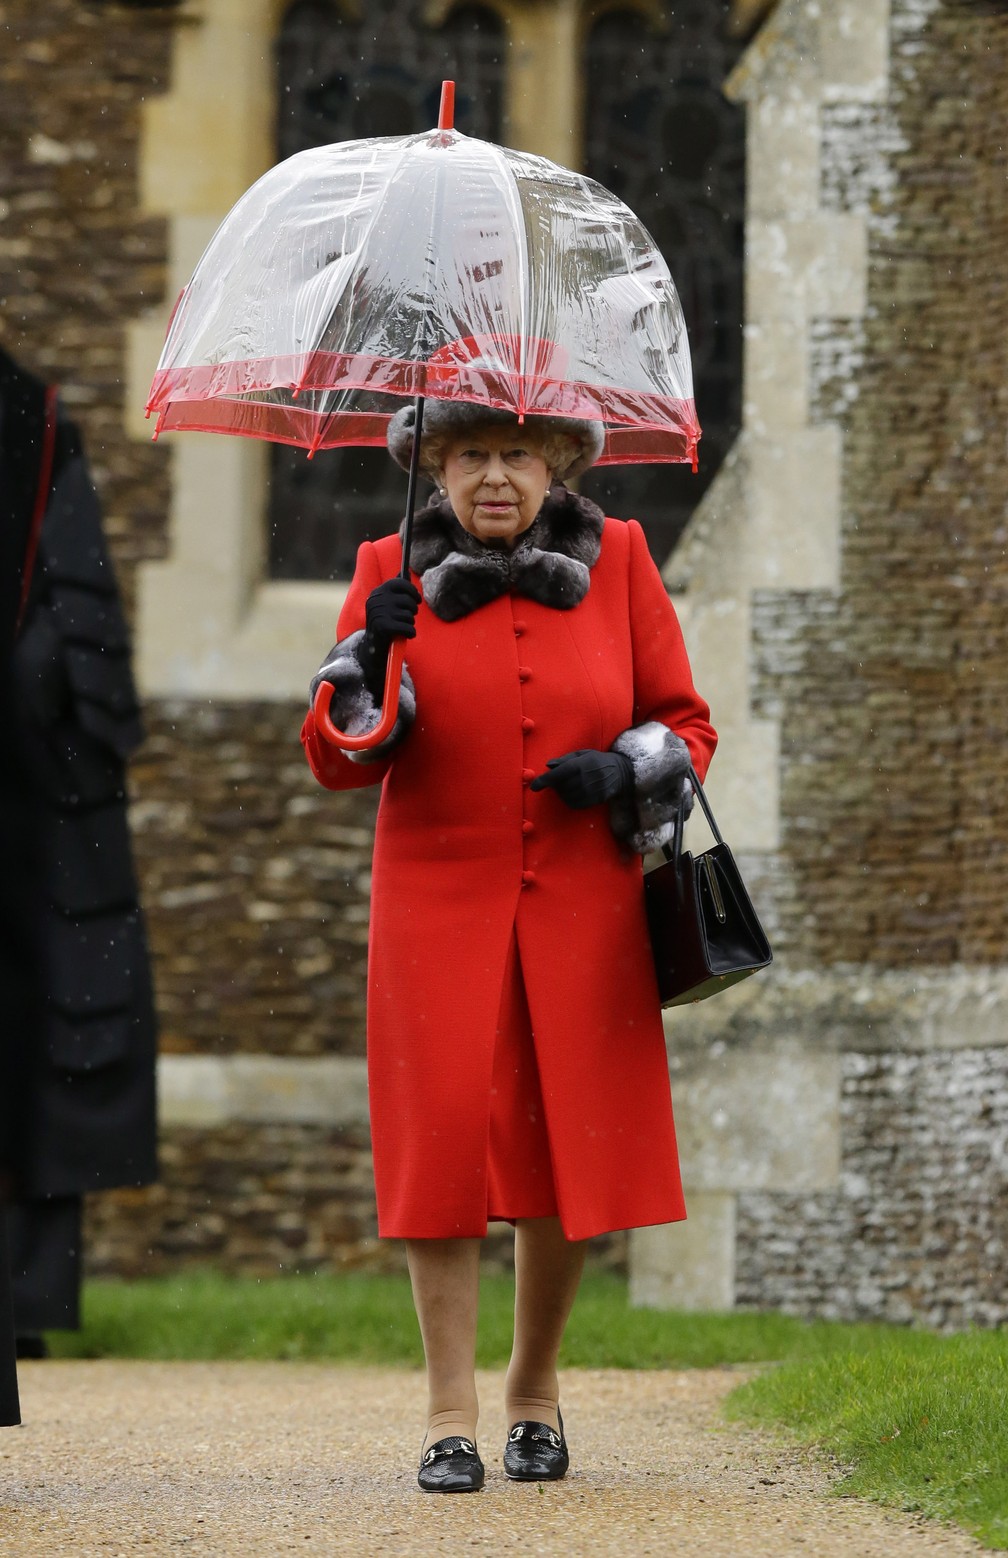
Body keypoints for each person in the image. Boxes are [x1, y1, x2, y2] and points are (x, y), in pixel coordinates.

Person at [301, 382, 717, 1493]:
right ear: (434, 467)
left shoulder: (620, 560)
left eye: (519, 455)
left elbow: (687, 722)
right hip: (435, 900)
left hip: (584, 904)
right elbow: (340, 757)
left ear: (558, 465)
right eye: (471, 454)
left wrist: (623, 769)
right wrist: (369, 653)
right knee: (440, 1141)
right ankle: (449, 1415)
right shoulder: (385, 565)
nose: (495, 476)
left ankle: (534, 1393)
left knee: (561, 1140)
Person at [0, 346, 158, 1355]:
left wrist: (37, 682)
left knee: (46, 1017)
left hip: (32, 791)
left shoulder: (35, 422)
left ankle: (24, 1297)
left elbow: (72, 611)